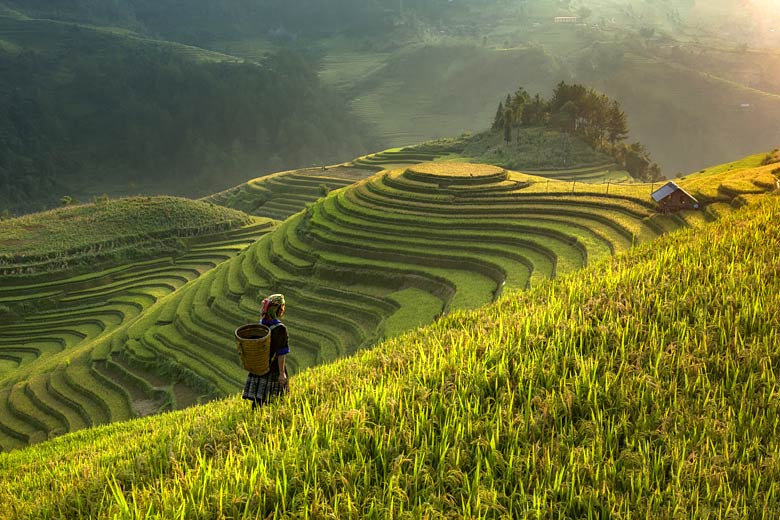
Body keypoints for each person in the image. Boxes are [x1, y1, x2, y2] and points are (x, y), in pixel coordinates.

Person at [242, 293, 289, 410]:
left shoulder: (261, 325)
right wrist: (282, 373)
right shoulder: (280, 328)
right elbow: (281, 352)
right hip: (273, 369)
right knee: (277, 402)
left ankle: (253, 422)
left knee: (258, 402)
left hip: (260, 367)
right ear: (278, 309)